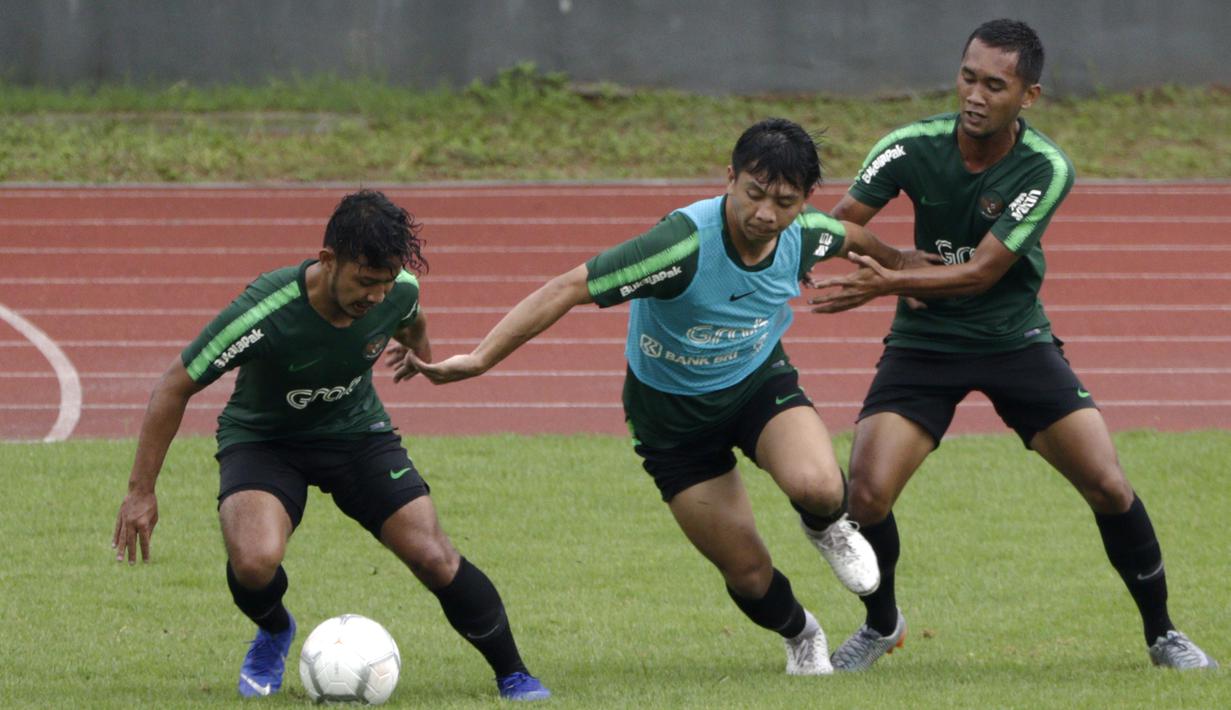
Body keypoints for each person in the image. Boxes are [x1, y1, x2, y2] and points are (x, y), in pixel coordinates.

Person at [392, 118, 934, 675]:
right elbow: (569, 287)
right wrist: (480, 359)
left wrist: (902, 267)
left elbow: (858, 239)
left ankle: (826, 527)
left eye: (784, 201)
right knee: (747, 572)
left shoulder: (808, 234)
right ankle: (801, 634)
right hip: (672, 422)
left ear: (804, 202)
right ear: (730, 178)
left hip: (756, 386)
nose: (766, 214)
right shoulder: (681, 245)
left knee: (820, 486)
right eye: (753, 194)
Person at [810, 19, 1217, 672]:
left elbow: (982, 272)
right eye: (967, 77)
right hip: (925, 343)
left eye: (994, 85)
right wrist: (886, 259)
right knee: (864, 496)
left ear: (1026, 96)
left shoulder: (1045, 167)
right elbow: (836, 227)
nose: (974, 94)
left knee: (1108, 485)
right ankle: (882, 624)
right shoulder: (908, 147)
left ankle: (1162, 633)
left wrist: (887, 282)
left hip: (1013, 339)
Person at [111, 190, 552, 701]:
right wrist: (141, 491)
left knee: (433, 554)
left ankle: (513, 673)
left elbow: (411, 319)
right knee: (255, 563)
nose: (376, 296)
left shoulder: (397, 291)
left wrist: (419, 356)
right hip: (265, 440)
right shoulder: (265, 310)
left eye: (385, 284)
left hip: (356, 434)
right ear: (327, 261)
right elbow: (174, 384)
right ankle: (275, 630)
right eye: (365, 282)